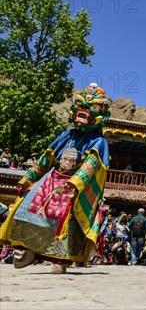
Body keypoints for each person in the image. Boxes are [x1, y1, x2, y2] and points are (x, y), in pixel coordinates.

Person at [0, 84, 111, 274]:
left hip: (75, 185)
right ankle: (27, 249)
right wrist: (29, 178)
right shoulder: (66, 134)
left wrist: (75, 184)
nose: (84, 108)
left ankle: (60, 259)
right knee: (25, 208)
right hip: (52, 179)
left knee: (65, 219)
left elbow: (90, 166)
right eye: (80, 104)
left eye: (94, 107)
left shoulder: (99, 141)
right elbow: (46, 158)